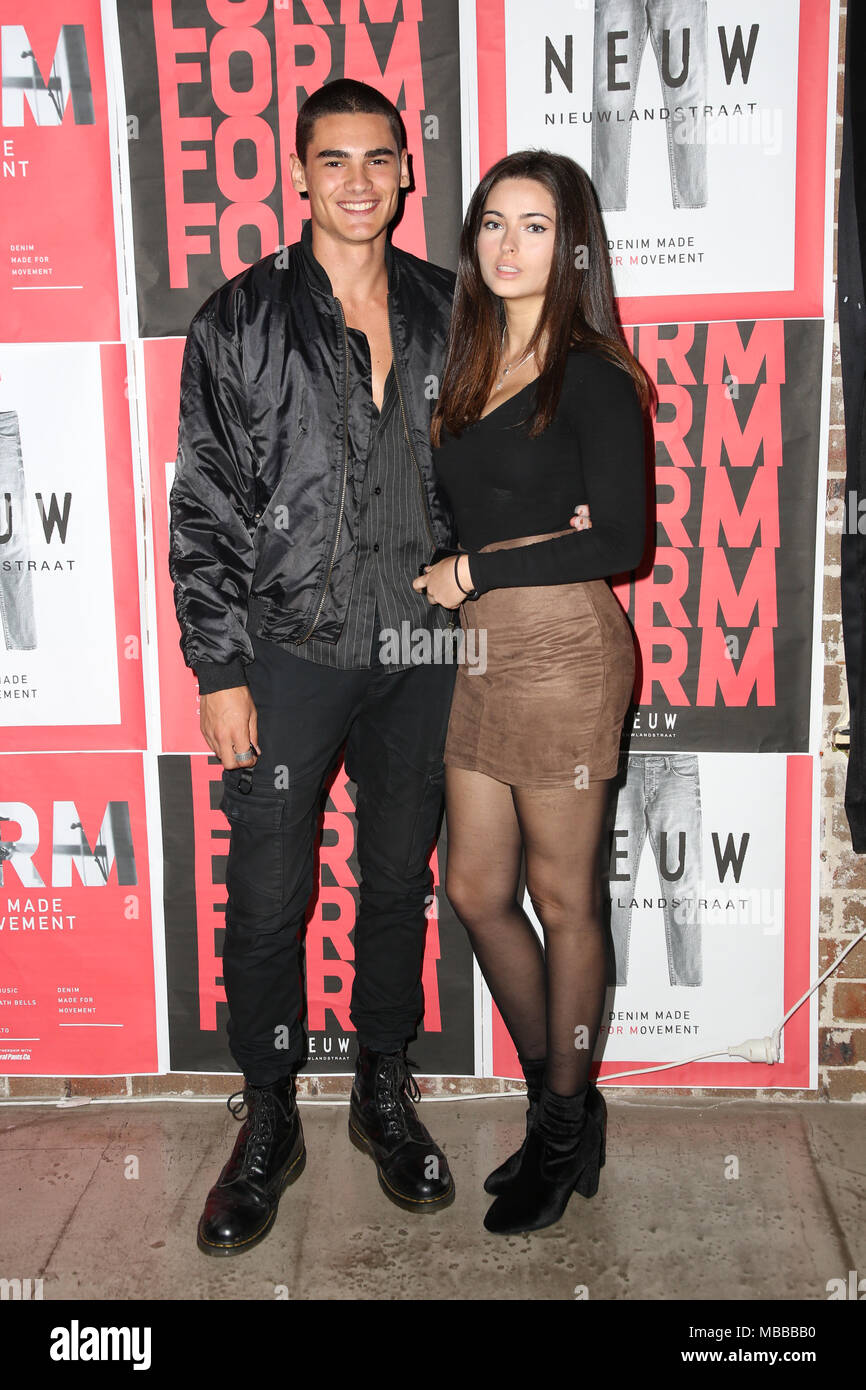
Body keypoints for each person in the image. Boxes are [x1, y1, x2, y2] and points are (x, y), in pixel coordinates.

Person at [170, 78, 594, 1256]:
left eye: (378, 159)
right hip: (288, 651)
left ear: (408, 173)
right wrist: (219, 668)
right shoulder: (237, 321)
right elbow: (204, 504)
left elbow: (508, 454)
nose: (356, 180)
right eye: (332, 159)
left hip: (417, 648)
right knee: (266, 898)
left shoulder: (453, 306)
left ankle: (380, 1089)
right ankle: (266, 1118)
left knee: (395, 883)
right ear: (297, 174)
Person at [414, 150, 654, 1235]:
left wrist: (480, 567)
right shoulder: (464, 367)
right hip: (480, 655)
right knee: (471, 888)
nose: (509, 246)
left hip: (562, 652)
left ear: (572, 248)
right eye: (493, 225)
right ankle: (564, 1097)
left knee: (564, 904)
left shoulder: (592, 373)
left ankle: (558, 1132)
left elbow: (620, 539)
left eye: (536, 227)